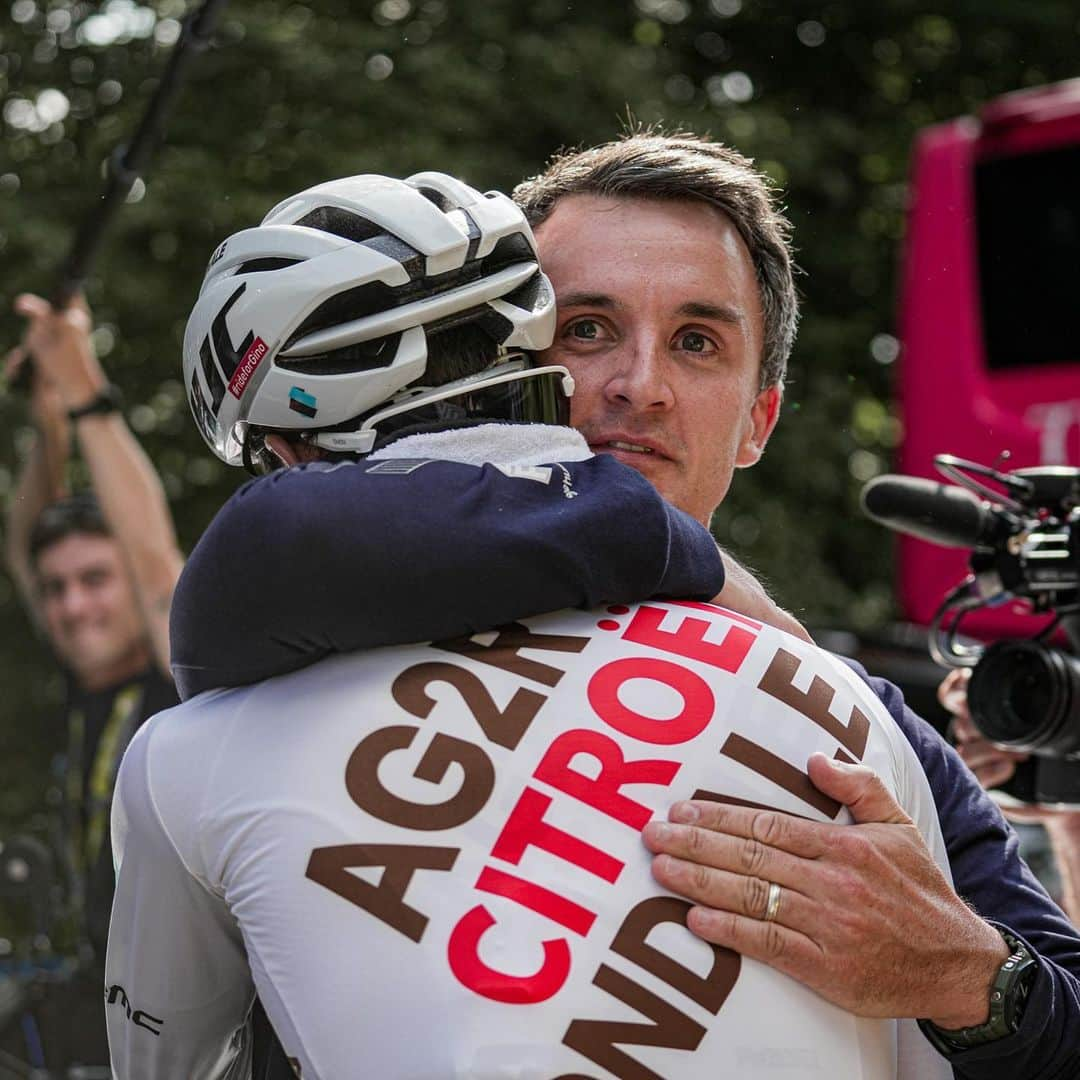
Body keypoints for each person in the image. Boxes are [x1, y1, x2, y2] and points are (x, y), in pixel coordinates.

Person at [163, 135, 1080, 1078]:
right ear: (493, 353)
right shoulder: (325, 609)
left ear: (759, 419)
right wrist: (687, 559)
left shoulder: (855, 719)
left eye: (697, 342)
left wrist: (973, 976)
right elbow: (265, 542)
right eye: (587, 327)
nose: (639, 384)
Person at [3, 296, 183, 1068]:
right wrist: (47, 426)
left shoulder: (183, 681)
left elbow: (155, 568)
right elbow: (23, 543)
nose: (73, 607)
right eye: (59, 588)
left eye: (95, 580)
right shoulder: (89, 679)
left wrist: (83, 385)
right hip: (95, 1012)